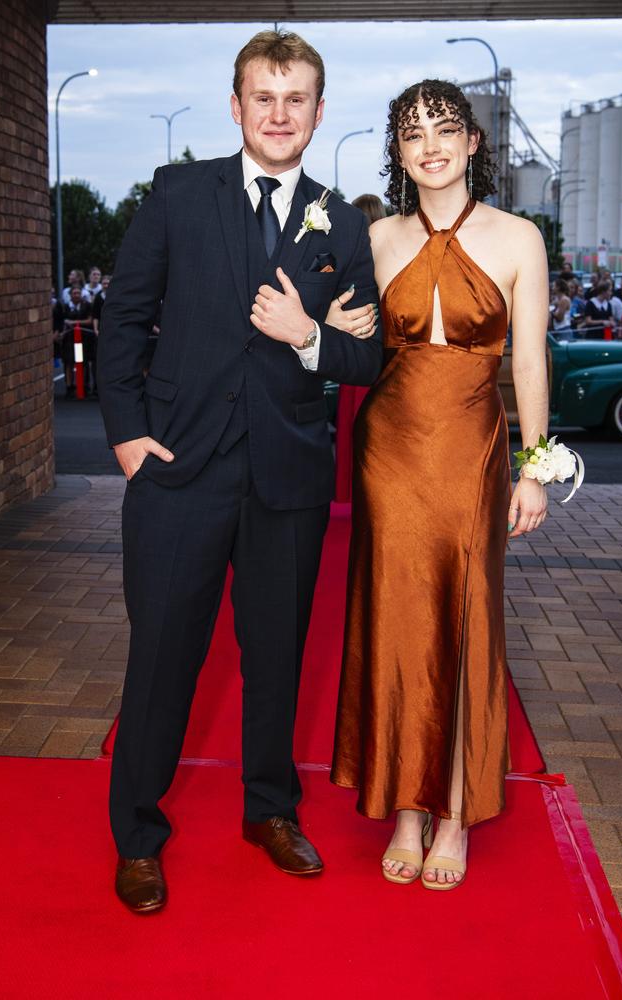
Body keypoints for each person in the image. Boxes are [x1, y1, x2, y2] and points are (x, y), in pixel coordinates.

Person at [97, 29, 382, 915]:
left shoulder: (342, 222)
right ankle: (138, 836)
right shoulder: (180, 193)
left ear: (319, 112)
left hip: (287, 478)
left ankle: (270, 810)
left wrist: (307, 336)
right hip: (177, 470)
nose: (279, 113)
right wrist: (128, 436)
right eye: (264, 96)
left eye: (296, 99)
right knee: (162, 660)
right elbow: (123, 319)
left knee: (277, 658)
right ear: (236, 106)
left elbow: (366, 361)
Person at [329, 78, 549, 890]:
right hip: (390, 448)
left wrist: (534, 463)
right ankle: (407, 805)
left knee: (466, 613)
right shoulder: (375, 235)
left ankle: (454, 809)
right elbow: (351, 343)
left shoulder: (519, 236)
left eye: (445, 128)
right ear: (398, 151)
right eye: (413, 132)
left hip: (474, 444)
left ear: (474, 143)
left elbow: (528, 358)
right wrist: (335, 326)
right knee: (396, 615)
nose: (430, 144)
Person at [334, 193, 386, 501]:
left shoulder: (347, 256)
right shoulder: (391, 253)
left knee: (352, 435)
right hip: (384, 360)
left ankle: (349, 494)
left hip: (353, 358)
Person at [61, 285, 93, 397]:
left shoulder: (87, 306)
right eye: (74, 293)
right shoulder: (65, 307)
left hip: (83, 339)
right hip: (69, 340)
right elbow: (62, 321)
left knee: (83, 362)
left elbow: (89, 321)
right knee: (69, 363)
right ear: (70, 295)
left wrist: (74, 323)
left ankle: (84, 385)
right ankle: (69, 387)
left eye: (78, 293)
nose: (76, 295)